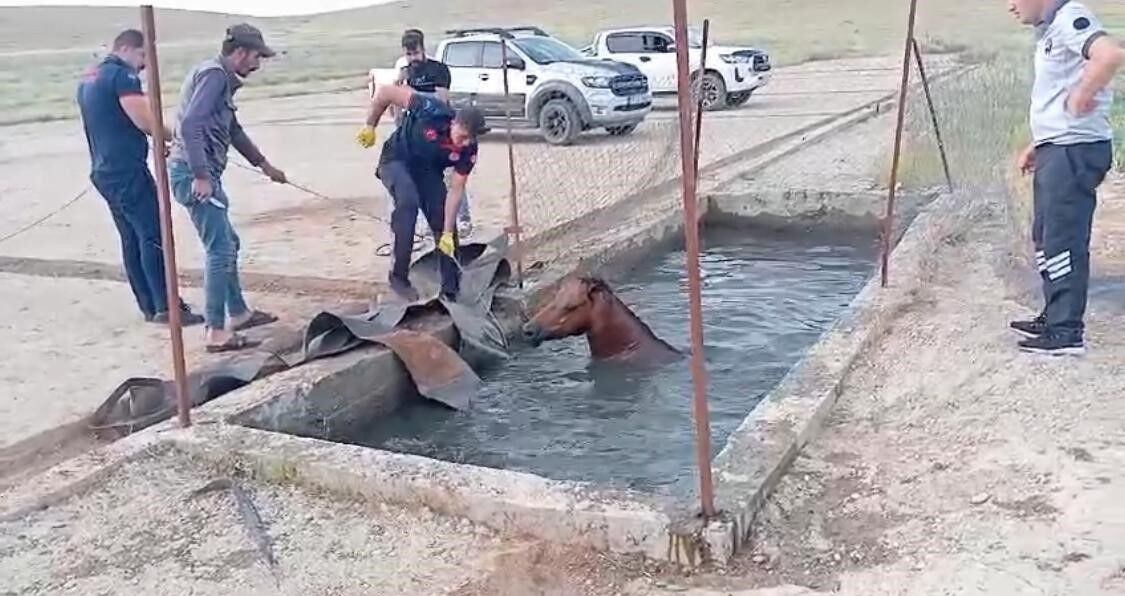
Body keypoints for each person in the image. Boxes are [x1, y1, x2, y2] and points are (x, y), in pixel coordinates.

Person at [1007, 0, 1123, 356]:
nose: (1010, 7)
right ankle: (1054, 313)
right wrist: (1038, 143)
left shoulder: (1073, 17)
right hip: (1058, 147)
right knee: (1045, 236)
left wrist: (1083, 94)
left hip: (1075, 151)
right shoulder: (1053, 29)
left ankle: (1066, 331)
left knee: (1063, 238)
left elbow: (1109, 54)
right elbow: (1058, 92)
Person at [167, 24, 288, 353]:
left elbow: (232, 129)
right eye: (256, 57)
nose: (257, 64)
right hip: (192, 176)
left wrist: (264, 164)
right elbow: (191, 124)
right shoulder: (215, 76)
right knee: (219, 249)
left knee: (227, 242)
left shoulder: (220, 79)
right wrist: (201, 175)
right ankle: (216, 331)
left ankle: (239, 313)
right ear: (239, 52)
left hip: (200, 173)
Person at [76, 29, 204, 326]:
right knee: (153, 234)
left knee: (132, 238)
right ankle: (167, 307)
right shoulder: (123, 77)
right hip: (126, 170)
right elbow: (145, 121)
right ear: (127, 48)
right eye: (143, 55)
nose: (145, 63)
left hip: (105, 169)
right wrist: (180, 141)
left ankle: (150, 305)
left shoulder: (90, 77)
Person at [355, 85, 487, 302]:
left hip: (427, 171)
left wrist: (446, 232)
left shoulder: (468, 150)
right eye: (462, 136)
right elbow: (385, 93)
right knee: (408, 202)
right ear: (454, 122)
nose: (465, 143)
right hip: (397, 159)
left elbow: (456, 191)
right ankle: (399, 277)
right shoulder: (431, 110)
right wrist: (371, 125)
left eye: (470, 139)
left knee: (445, 220)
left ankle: (450, 289)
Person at [392, 28, 475, 239]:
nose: (413, 58)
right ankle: (429, 223)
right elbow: (397, 102)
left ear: (423, 49)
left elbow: (441, 101)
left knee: (452, 177)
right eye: (409, 55)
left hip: (443, 132)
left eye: (416, 53)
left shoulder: (438, 70)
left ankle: (463, 219)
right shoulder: (405, 72)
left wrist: (411, 95)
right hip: (417, 135)